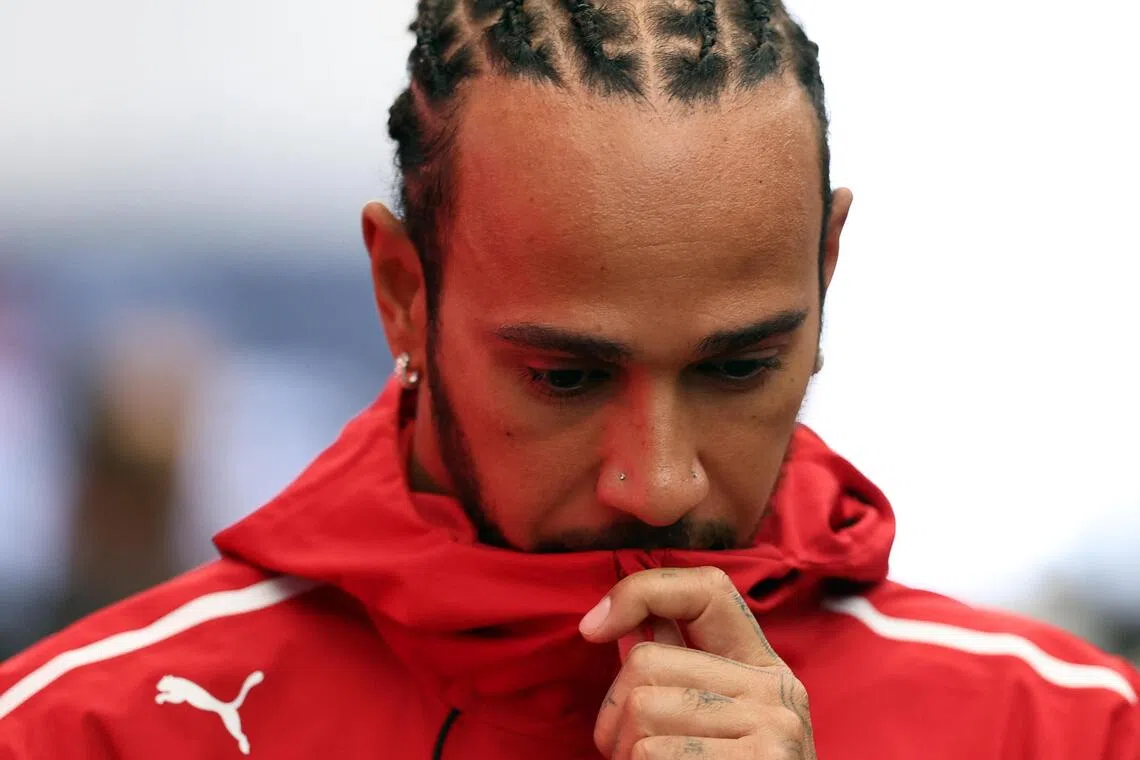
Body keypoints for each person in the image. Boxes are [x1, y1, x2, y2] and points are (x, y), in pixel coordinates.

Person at [2, 0, 1137, 757]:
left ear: (826, 273)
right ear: (403, 290)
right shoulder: (86, 731)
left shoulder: (1067, 729)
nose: (657, 481)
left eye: (739, 366)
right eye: (563, 377)